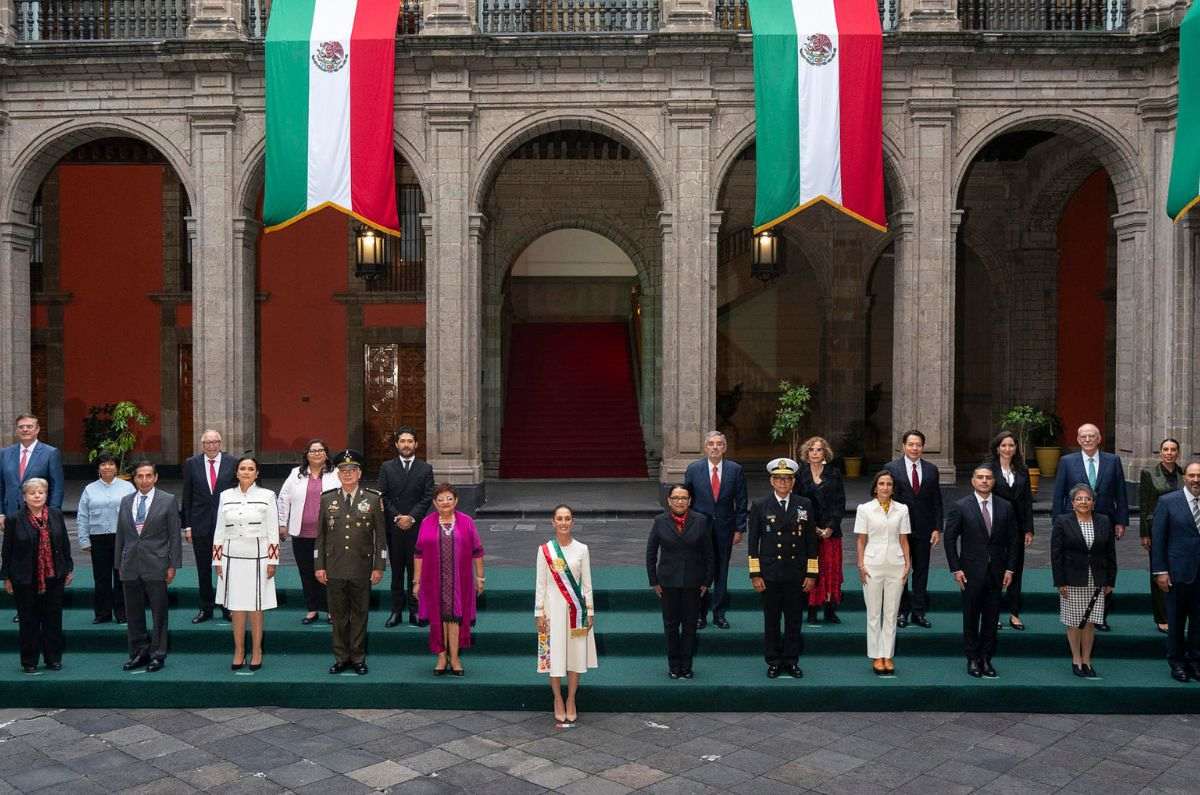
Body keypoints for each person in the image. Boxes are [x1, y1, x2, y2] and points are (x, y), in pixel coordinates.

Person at [747, 458, 820, 679]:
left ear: (793, 481)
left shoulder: (804, 504)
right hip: (770, 573)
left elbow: (811, 542)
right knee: (771, 620)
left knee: (794, 620)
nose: (783, 482)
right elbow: (753, 542)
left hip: (796, 573)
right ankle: (773, 660)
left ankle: (791, 660)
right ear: (772, 480)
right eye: (779, 478)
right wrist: (755, 573)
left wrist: (811, 573)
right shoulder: (760, 505)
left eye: (787, 479)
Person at [1051, 423, 1128, 632]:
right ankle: (1076, 613)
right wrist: (1057, 521)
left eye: (1091, 436)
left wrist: (1121, 521)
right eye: (1083, 436)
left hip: (1104, 522)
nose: (1087, 439)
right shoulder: (1067, 461)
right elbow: (1059, 493)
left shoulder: (1113, 461)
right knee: (1077, 562)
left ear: (1099, 438)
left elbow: (1120, 492)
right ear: (1078, 440)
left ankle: (1100, 615)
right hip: (1073, 522)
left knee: (1102, 564)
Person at [944, 465, 1019, 679]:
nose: (984, 481)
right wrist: (955, 568)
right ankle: (972, 658)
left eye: (988, 478)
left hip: (997, 572)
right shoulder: (960, 506)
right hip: (969, 572)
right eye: (980, 477)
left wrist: (1010, 568)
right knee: (970, 617)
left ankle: (986, 657)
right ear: (973, 481)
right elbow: (950, 539)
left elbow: (1014, 540)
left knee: (991, 617)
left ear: (993, 482)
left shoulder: (1006, 507)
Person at [317, 450, 387, 676]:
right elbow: (321, 536)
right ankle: (340, 657)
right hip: (335, 566)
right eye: (343, 471)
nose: (347, 475)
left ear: (359, 473)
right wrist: (319, 565)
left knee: (359, 614)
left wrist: (379, 566)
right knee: (338, 616)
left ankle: (357, 657)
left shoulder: (373, 499)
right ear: (338, 474)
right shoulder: (327, 499)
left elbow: (381, 538)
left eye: (352, 471)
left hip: (361, 567)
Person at [116, 462, 182, 673]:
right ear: (134, 479)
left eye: (148, 476)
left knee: (159, 613)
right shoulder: (126, 501)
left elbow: (174, 536)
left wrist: (173, 565)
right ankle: (138, 653)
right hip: (130, 564)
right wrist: (119, 563)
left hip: (157, 564)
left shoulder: (168, 500)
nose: (144, 480)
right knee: (133, 613)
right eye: (140, 476)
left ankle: (157, 654)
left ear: (155, 478)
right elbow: (121, 535)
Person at [1, 478, 73, 672]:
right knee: (28, 621)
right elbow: (7, 550)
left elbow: (64, 543)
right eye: (32, 493)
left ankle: (53, 659)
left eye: (41, 492)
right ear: (24, 497)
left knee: (53, 620)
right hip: (24, 579)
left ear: (46, 495)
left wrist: (68, 568)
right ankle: (29, 661)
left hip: (54, 576)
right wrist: (6, 576)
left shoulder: (56, 515)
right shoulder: (14, 519)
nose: (37, 495)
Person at [215, 456, 279, 671]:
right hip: (232, 558)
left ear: (257, 473)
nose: (246, 472)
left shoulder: (267, 496)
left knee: (256, 607)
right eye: (242, 468)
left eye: (251, 468)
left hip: (258, 558)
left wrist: (273, 560)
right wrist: (217, 560)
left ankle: (257, 650)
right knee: (236, 606)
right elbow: (219, 529)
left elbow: (272, 531)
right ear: (236, 472)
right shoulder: (225, 496)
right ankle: (239, 650)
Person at [414, 484, 485, 676]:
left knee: (454, 618)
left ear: (456, 501)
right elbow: (418, 553)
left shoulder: (467, 521)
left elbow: (477, 551)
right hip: (433, 580)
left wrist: (480, 577)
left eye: (449, 498)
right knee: (438, 618)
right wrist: (416, 581)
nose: (445, 502)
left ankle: (455, 658)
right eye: (440, 499)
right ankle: (441, 656)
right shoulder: (426, 522)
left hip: (459, 581)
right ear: (435, 503)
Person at [535, 505, 598, 723]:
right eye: (559, 518)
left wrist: (590, 610)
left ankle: (571, 698)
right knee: (555, 655)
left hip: (576, 611)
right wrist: (539, 612)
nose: (563, 522)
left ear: (572, 521)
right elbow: (540, 584)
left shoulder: (582, 549)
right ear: (553, 522)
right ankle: (557, 698)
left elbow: (587, 583)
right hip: (552, 610)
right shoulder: (544, 550)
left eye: (567, 518)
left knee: (575, 655)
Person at [0, 415, 65, 624]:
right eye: (21, 427)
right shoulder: (5, 453)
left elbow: (57, 485)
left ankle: (43, 604)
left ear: (37, 429)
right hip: (13, 518)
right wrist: (1, 513)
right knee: (19, 562)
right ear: (16, 430)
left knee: (40, 559)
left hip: (41, 518)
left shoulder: (50, 453)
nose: (25, 430)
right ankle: (24, 608)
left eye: (30, 426)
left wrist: (52, 516)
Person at [646, 485, 713, 679]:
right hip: (667, 582)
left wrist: (706, 582)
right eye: (675, 498)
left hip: (694, 582)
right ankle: (674, 665)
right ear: (669, 501)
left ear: (690, 500)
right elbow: (651, 553)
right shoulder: (660, 521)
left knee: (690, 625)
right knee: (671, 626)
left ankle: (687, 665)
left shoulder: (701, 521)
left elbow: (709, 554)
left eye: (684, 497)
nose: (680, 501)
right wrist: (654, 581)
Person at [1052, 483, 1118, 678]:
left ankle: (1087, 660)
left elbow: (1110, 553)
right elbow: (1056, 555)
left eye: (1087, 499)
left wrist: (1110, 581)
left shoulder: (1104, 521)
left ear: (1093, 503)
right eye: (1079, 499)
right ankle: (1076, 659)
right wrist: (1060, 581)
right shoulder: (1063, 522)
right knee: (1073, 622)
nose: (1083, 502)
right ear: (1072, 503)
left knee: (1090, 622)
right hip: (1072, 579)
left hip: (1097, 579)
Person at [683, 431, 747, 630]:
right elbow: (687, 500)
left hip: (725, 529)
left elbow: (742, 501)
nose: (715, 447)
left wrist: (740, 528)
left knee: (721, 572)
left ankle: (719, 614)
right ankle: (700, 615)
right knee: (700, 572)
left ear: (725, 447)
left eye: (719, 444)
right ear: (705, 447)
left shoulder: (735, 470)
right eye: (711, 443)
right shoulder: (694, 469)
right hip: (700, 529)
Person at [277, 439, 339, 624]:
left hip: (329, 533)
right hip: (302, 532)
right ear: (307, 454)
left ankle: (330, 610)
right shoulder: (296, 474)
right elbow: (283, 498)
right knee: (306, 571)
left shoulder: (335, 474)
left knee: (329, 572)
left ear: (326, 454)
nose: (317, 453)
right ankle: (312, 609)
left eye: (321, 450)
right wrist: (282, 523)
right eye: (313, 451)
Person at [885, 430, 943, 628]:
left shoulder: (931, 470)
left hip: (925, 529)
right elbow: (885, 498)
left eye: (918, 445)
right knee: (900, 571)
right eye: (911, 444)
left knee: (921, 571)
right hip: (898, 530)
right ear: (903, 446)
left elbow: (937, 500)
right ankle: (902, 611)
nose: (914, 448)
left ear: (923, 447)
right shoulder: (891, 468)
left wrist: (937, 528)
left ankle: (919, 612)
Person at [854, 470, 911, 676]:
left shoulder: (902, 509)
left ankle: (888, 654)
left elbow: (904, 539)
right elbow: (861, 540)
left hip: (896, 564)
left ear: (893, 488)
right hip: (872, 564)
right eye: (881, 484)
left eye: (888, 484)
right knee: (874, 612)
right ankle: (876, 655)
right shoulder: (864, 509)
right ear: (875, 487)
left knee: (891, 612)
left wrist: (907, 564)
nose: (885, 487)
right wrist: (861, 564)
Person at [377, 426, 434, 628]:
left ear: (416, 444)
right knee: (397, 571)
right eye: (402, 441)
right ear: (396, 444)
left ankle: (415, 610)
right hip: (394, 526)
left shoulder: (425, 468)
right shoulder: (387, 467)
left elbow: (428, 497)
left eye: (410, 441)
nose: (406, 445)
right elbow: (383, 495)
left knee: (416, 570)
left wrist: (411, 517)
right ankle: (396, 611)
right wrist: (397, 517)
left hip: (417, 527)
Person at [180, 429, 237, 624]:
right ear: (202, 445)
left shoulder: (233, 463)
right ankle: (206, 608)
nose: (212, 446)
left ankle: (228, 607)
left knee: (227, 567)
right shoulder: (191, 464)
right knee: (203, 569)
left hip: (227, 524)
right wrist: (187, 525)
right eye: (208, 443)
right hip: (199, 524)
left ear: (220, 443)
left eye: (215, 442)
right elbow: (187, 495)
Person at [1151, 460, 1200, 682]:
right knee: (1176, 620)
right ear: (1185, 477)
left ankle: (1195, 661)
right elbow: (1159, 540)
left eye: (1199, 476)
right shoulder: (1168, 502)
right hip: (1177, 573)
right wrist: (1160, 571)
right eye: (1192, 475)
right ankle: (1177, 663)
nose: (1196, 480)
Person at [76, 452, 135, 624]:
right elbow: (82, 516)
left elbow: (135, 514)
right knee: (101, 578)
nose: (107, 467)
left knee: (121, 576)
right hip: (98, 539)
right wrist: (84, 540)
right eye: (103, 464)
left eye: (110, 464)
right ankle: (102, 614)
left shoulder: (127, 487)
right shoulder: (90, 489)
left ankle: (122, 613)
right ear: (98, 468)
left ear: (116, 467)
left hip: (121, 538)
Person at [986, 431, 1035, 631]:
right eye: (1004, 445)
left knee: (1015, 571)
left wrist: (1028, 529)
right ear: (997, 447)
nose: (1008, 449)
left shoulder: (1022, 470)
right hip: (995, 527)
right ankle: (993, 613)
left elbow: (1027, 502)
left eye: (1011, 446)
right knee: (995, 571)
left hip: (1017, 529)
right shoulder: (988, 469)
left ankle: (1014, 614)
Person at [797, 436, 846, 625]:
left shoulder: (834, 473)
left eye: (819, 450)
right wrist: (812, 528)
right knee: (811, 570)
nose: (815, 453)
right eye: (812, 450)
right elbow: (798, 505)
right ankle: (811, 610)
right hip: (809, 533)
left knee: (831, 570)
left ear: (825, 452)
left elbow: (840, 503)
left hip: (831, 533)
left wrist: (830, 527)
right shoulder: (800, 475)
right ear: (806, 453)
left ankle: (830, 610)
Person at [1140, 438, 1182, 634]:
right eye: (1165, 449)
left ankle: (1177, 614)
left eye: (1173, 449)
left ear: (1178, 453)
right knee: (1159, 572)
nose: (1169, 453)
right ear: (1160, 452)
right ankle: (1161, 616)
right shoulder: (1149, 474)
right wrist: (1144, 534)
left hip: (1181, 531)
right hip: (1157, 529)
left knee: (1178, 573)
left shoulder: (1185, 474)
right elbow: (1144, 506)